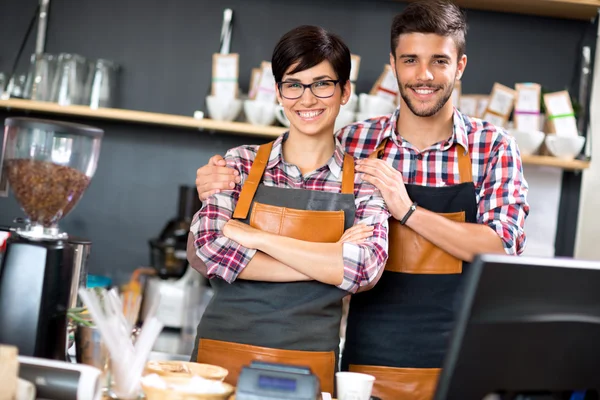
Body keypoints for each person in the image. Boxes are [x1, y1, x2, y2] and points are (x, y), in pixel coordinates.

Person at [193, 1, 530, 398]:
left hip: (460, 354)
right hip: (365, 358)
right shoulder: (354, 143)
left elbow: (502, 248)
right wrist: (215, 189)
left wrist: (406, 210)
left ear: (459, 66)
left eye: (439, 60)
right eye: (410, 60)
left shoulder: (491, 147)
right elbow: (208, 248)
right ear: (393, 65)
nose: (424, 75)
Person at [187, 25, 390, 394]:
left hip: (309, 364)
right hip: (219, 358)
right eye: (293, 84)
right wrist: (328, 261)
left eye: (322, 84)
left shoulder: (364, 182)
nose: (307, 99)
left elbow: (364, 269)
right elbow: (209, 249)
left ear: (345, 91)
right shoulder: (240, 164)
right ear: (279, 92)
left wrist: (256, 238)